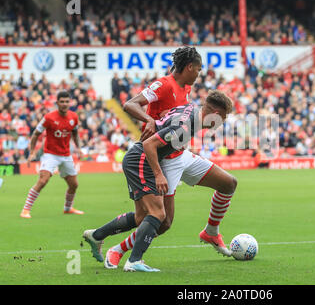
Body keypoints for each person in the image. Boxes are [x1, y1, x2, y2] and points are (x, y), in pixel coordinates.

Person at [99, 46, 237, 269]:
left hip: (180, 153)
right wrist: (150, 120)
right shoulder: (164, 85)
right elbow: (130, 104)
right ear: (189, 67)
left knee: (229, 183)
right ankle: (119, 250)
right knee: (161, 221)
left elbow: (181, 122)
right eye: (199, 69)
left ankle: (211, 232)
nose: (200, 73)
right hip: (161, 158)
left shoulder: (186, 89)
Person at [20, 91, 84, 219]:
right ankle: (25, 210)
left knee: (74, 185)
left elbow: (75, 133)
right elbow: (35, 134)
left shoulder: (74, 117)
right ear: (57, 103)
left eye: (67, 101)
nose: (65, 104)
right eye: (62, 102)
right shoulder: (49, 117)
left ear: (70, 102)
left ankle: (67, 208)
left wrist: (79, 148)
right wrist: (32, 152)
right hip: (50, 154)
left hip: (66, 155)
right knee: (43, 180)